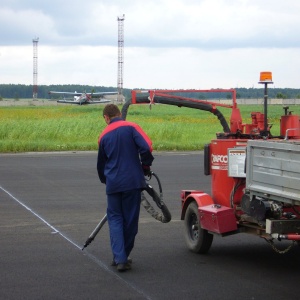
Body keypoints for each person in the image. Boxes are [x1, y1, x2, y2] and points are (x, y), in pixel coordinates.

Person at [97, 104, 154, 272]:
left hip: (113, 184)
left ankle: (119, 257)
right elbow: (147, 147)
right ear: (120, 114)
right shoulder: (132, 127)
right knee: (130, 220)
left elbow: (101, 165)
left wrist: (106, 180)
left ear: (106, 118)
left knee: (115, 219)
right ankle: (123, 256)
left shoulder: (103, 135)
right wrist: (145, 166)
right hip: (132, 182)